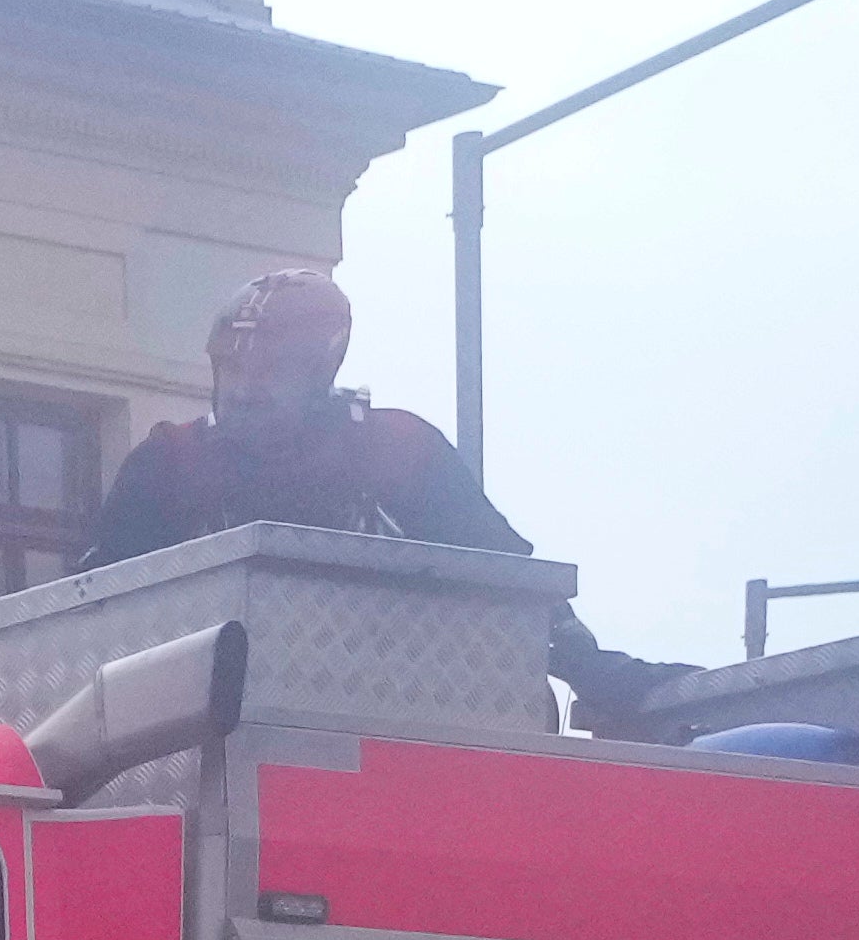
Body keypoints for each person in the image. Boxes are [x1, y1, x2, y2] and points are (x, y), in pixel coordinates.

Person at [81, 267, 680, 731]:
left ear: (321, 369)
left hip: (395, 728)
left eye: (269, 372)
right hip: (214, 732)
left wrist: (602, 675)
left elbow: (510, 586)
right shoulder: (169, 464)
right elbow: (92, 614)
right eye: (233, 370)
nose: (245, 391)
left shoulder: (397, 450)